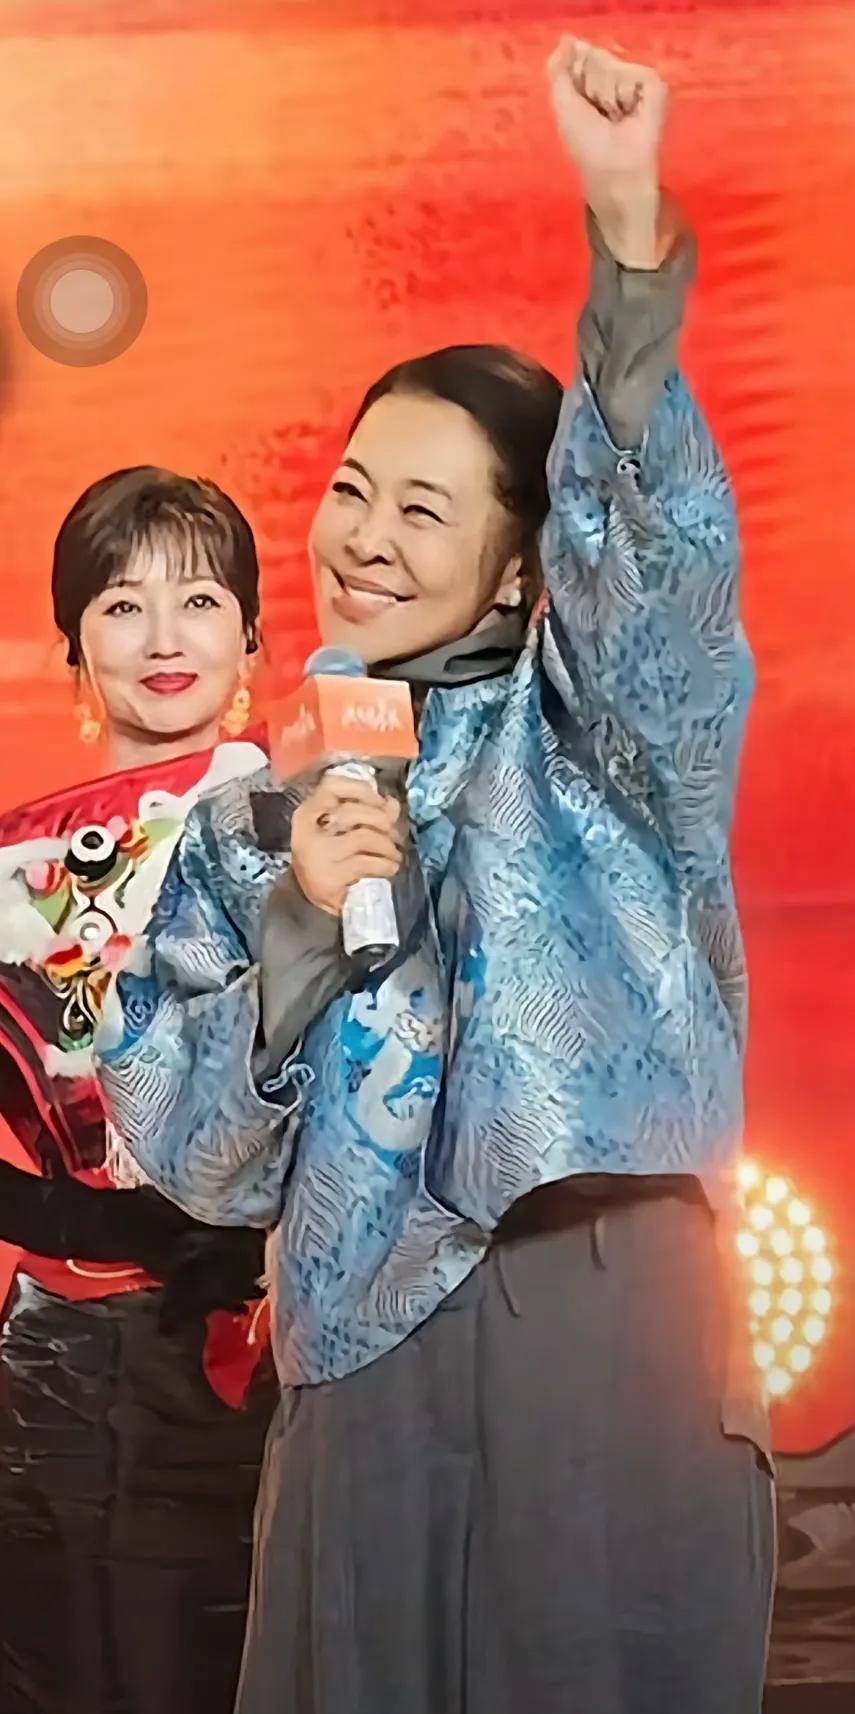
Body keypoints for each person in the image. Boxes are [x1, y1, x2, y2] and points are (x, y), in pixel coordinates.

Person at [97, 39, 775, 1714]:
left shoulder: (613, 733)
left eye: (423, 507)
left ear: (525, 558)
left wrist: (627, 235)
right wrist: (297, 934)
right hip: (356, 1342)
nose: (366, 536)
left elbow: (655, 558)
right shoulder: (257, 814)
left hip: (597, 1311)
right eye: (350, 490)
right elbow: (186, 1145)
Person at [0, 466, 277, 1714]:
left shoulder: (315, 831)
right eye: (123, 604)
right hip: (57, 1349)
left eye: (200, 599)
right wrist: (68, 1217)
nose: (166, 637)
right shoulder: (12, 866)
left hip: (253, 1345)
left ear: (250, 638)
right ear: (74, 648)